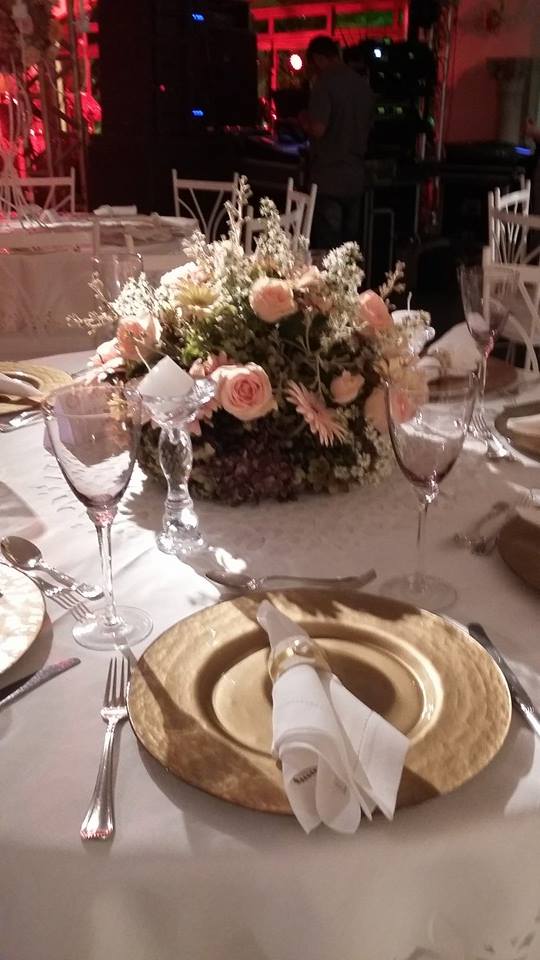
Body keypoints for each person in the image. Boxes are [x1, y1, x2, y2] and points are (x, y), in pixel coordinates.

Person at [302, 35, 374, 251]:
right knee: (348, 251)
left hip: (329, 178)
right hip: (355, 178)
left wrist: (302, 121)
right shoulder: (362, 85)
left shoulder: (325, 83)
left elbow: (318, 129)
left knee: (327, 250)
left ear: (318, 58)